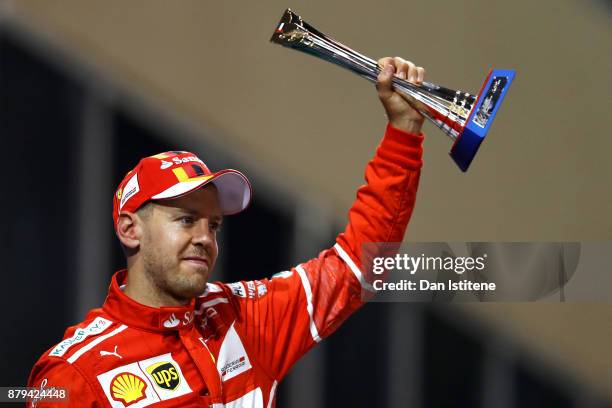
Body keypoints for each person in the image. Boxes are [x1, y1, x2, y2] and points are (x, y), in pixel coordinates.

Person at [27, 57, 426, 407]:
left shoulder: (245, 317)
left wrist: (403, 133)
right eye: (186, 219)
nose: (205, 237)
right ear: (131, 230)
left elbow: (358, 264)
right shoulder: (73, 375)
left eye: (213, 224)